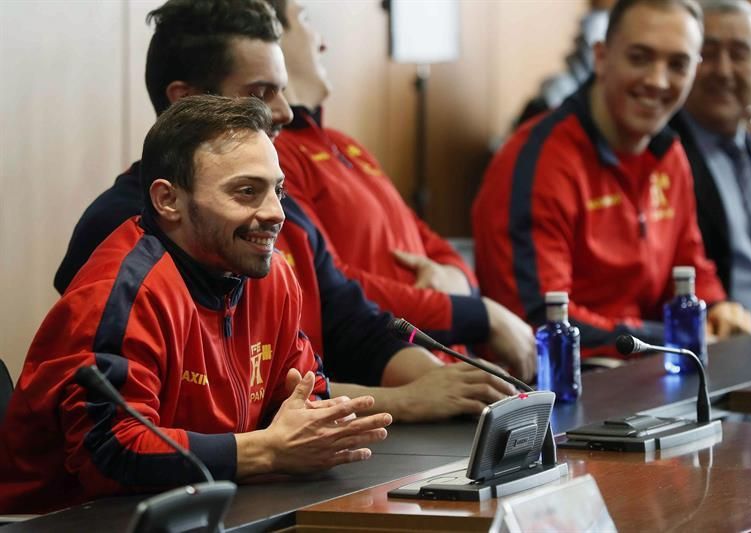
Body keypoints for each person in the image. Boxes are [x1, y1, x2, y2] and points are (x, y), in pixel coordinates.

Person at [53, 0, 515, 422]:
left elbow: (354, 327)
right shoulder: (121, 231)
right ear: (185, 100)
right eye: (261, 93)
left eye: (282, 90)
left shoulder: (280, 213)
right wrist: (409, 400)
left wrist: (447, 385)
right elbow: (186, 419)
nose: (286, 112)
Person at [0, 96, 393, 513]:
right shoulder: (122, 293)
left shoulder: (272, 276)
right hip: (64, 521)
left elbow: (304, 396)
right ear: (168, 201)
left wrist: (312, 428)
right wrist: (267, 450)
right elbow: (110, 453)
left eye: (278, 190)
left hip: (201, 507)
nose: (277, 213)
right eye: (246, 192)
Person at [269, 0, 537, 382]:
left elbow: (433, 243)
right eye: (306, 21)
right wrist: (473, 313)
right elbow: (332, 286)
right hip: (396, 374)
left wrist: (454, 281)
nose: (323, 42)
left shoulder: (345, 145)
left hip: (450, 368)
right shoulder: (277, 157)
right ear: (270, 38)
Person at [472, 0, 751, 357]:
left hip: (654, 373)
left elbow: (689, 268)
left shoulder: (669, 153)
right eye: (639, 57)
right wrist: (669, 337)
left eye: (678, 64)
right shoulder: (537, 162)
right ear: (601, 57)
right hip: (561, 388)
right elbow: (540, 320)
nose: (657, 80)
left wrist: (717, 308)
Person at [670, 0, 751, 330]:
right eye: (707, 53)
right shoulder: (662, 155)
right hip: (728, 352)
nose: (723, 70)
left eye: (739, 54)